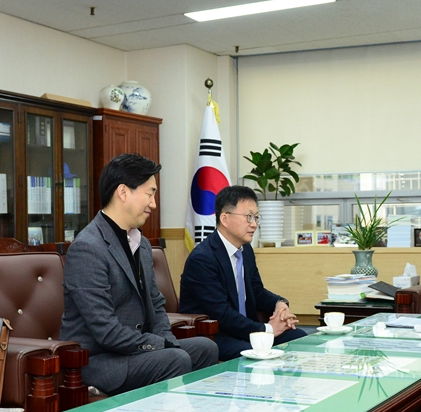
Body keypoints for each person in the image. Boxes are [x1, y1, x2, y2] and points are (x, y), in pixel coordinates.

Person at [62, 153, 218, 395]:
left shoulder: (142, 244)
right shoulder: (88, 248)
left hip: (134, 351)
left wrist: (166, 340)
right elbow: (106, 331)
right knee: (176, 359)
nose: (153, 204)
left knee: (206, 348)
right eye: (150, 193)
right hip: (100, 360)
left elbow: (156, 306)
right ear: (123, 192)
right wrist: (162, 346)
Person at [179, 185, 308, 361]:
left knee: (298, 338)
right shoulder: (202, 259)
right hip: (216, 335)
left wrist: (279, 304)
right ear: (225, 218)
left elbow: (256, 291)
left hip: (247, 332)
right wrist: (268, 329)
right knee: (258, 353)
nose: (254, 224)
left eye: (256, 217)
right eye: (248, 217)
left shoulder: (245, 250)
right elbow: (221, 313)